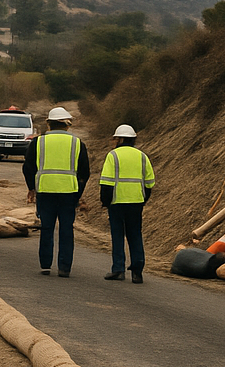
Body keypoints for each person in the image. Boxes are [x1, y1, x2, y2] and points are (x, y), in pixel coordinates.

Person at [23, 106, 89, 277]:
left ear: (48, 124)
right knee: (67, 229)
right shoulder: (77, 143)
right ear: (68, 125)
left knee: (46, 228)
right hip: (69, 193)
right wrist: (78, 193)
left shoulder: (38, 142)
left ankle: (45, 264)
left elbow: (28, 167)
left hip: (45, 191)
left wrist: (31, 188)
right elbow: (84, 173)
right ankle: (64, 268)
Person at [98, 123, 156, 284]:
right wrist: (143, 199)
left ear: (121, 138)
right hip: (136, 202)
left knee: (118, 236)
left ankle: (118, 269)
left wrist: (105, 201)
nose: (114, 141)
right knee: (135, 235)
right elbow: (150, 182)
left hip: (116, 202)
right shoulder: (142, 156)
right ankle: (137, 272)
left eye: (116, 138)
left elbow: (106, 182)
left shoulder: (113, 155)